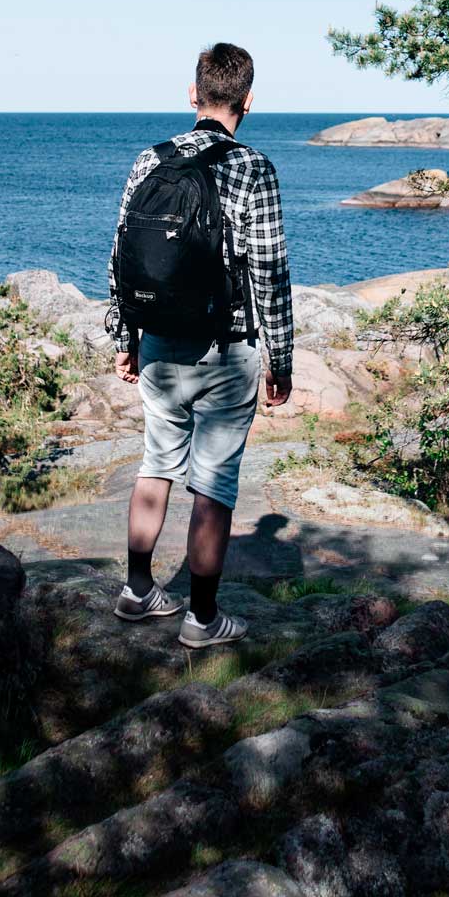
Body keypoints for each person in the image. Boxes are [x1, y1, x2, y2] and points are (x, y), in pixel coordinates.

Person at [106, 42, 294, 648]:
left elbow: (120, 259)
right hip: (227, 347)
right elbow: (269, 270)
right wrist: (281, 359)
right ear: (248, 100)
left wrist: (126, 336)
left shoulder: (148, 161)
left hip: (159, 339)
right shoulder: (254, 168)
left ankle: (137, 591)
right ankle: (202, 619)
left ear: (193, 94)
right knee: (213, 482)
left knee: (156, 463)